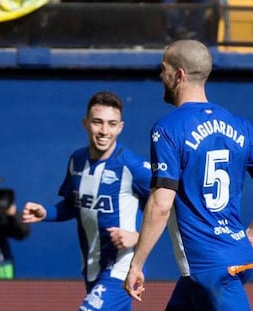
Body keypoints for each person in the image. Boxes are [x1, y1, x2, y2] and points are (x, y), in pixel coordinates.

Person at [124, 39, 253, 311]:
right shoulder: (242, 126)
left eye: (164, 69)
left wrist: (136, 264)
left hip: (209, 268)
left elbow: (161, 204)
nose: (161, 76)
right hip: (223, 260)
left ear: (179, 75)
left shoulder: (169, 129)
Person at [23, 91, 152, 311]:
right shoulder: (77, 160)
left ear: (120, 127)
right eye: (97, 122)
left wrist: (137, 236)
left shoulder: (132, 166)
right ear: (85, 124)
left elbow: (165, 205)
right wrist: (46, 213)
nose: (104, 131)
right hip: (92, 266)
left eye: (112, 124)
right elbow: (74, 205)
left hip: (122, 267)